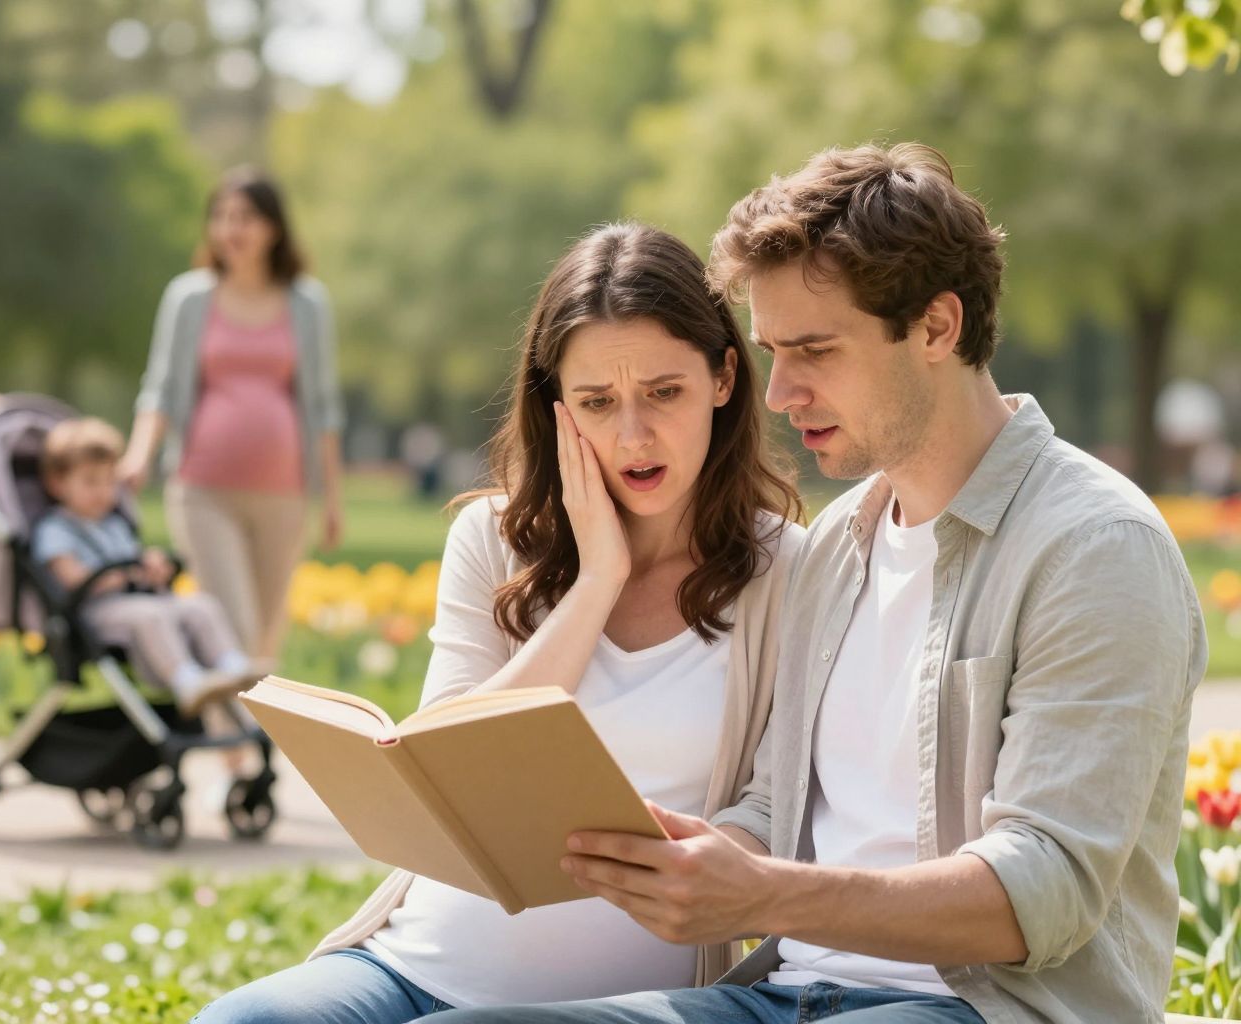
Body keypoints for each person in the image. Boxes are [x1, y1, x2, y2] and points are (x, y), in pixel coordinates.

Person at [429, 144, 1208, 1024]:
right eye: (769, 351)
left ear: (937, 328)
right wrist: (698, 857)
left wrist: (765, 894)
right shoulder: (839, 543)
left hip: (980, 1009)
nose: (777, 393)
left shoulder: (1093, 546)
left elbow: (1046, 888)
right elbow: (778, 803)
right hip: (787, 995)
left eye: (813, 351)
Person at [189, 222, 805, 1024]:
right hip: (413, 965)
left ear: (724, 378)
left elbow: (772, 812)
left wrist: (705, 859)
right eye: (596, 402)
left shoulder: (787, 569)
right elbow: (449, 759)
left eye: (664, 392)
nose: (632, 435)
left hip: (615, 1001)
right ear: (555, 410)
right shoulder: (489, 539)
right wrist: (596, 584)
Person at [120, 168, 345, 669]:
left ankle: (239, 739)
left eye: (244, 217)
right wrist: (138, 457)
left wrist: (331, 498)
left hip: (283, 495)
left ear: (273, 228)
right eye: (221, 217)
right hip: (204, 489)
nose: (230, 229)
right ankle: (238, 748)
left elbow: (324, 405)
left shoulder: (307, 303)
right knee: (233, 624)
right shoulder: (189, 298)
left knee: (265, 632)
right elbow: (160, 388)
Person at [34, 416, 262, 716]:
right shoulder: (55, 530)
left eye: (108, 481)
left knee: (200, 606)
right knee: (151, 615)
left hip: (136, 600)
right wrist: (116, 577)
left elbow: (135, 564)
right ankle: (186, 681)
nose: (103, 492)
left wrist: (152, 569)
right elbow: (71, 577)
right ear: (57, 483)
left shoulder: (114, 524)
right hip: (96, 611)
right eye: (90, 482)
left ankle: (234, 668)